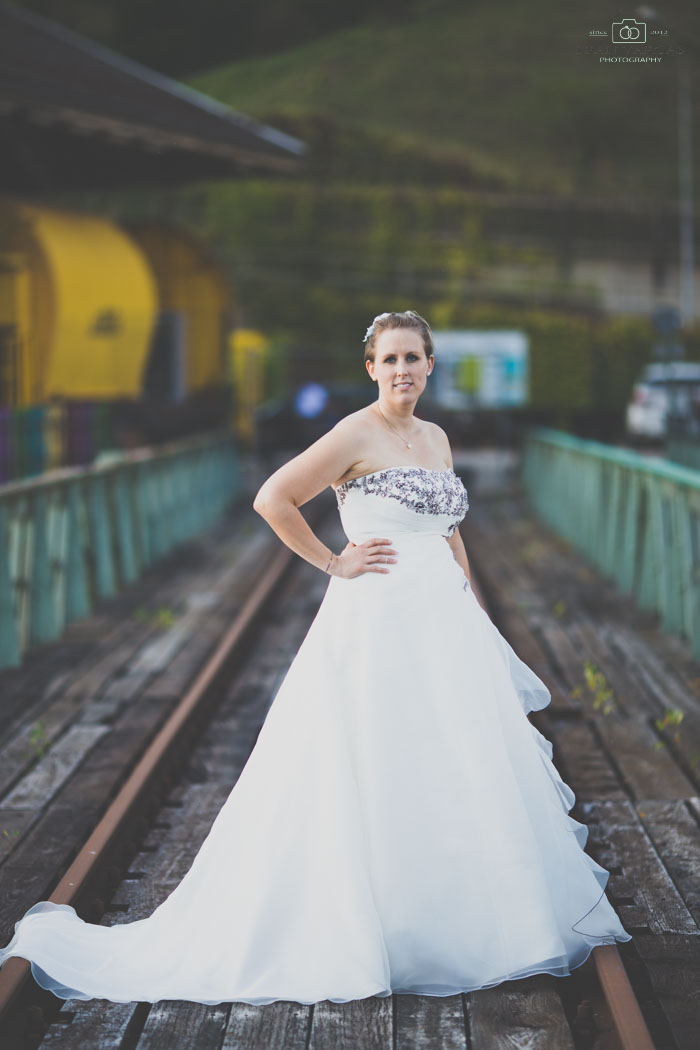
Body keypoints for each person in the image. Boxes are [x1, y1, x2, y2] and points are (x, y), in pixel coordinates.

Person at [0, 309, 632, 1005]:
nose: (402, 371)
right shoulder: (352, 433)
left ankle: (463, 916)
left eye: (413, 359)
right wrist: (334, 560)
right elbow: (273, 498)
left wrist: (474, 603)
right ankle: (370, 927)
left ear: (429, 365)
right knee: (372, 758)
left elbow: (451, 530)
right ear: (371, 368)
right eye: (388, 360)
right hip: (378, 619)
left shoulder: (437, 437)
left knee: (455, 758)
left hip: (445, 622)